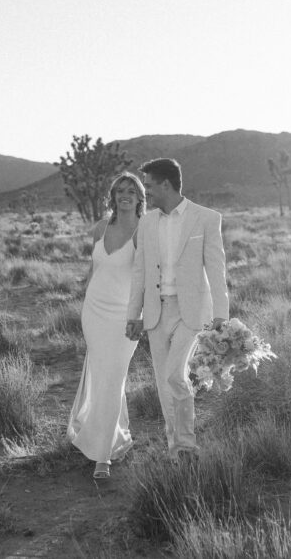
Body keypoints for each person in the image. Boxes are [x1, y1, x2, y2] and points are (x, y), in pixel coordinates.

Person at [125, 158, 229, 459]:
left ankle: (186, 443)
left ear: (166, 185)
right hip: (157, 311)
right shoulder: (146, 222)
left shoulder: (206, 218)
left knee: (174, 375)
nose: (147, 194)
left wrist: (221, 315)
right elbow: (140, 272)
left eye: (150, 186)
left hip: (192, 312)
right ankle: (177, 448)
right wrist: (134, 315)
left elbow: (216, 267)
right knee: (163, 382)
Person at [68, 172, 145, 480]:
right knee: (102, 375)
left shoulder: (144, 230)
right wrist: (83, 301)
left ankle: (103, 457)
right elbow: (94, 267)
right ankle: (99, 435)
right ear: (113, 196)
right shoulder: (101, 227)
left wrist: (139, 317)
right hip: (94, 311)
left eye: (131, 190)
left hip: (124, 316)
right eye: (120, 190)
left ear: (140, 197)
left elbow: (147, 279)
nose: (125, 194)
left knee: (114, 377)